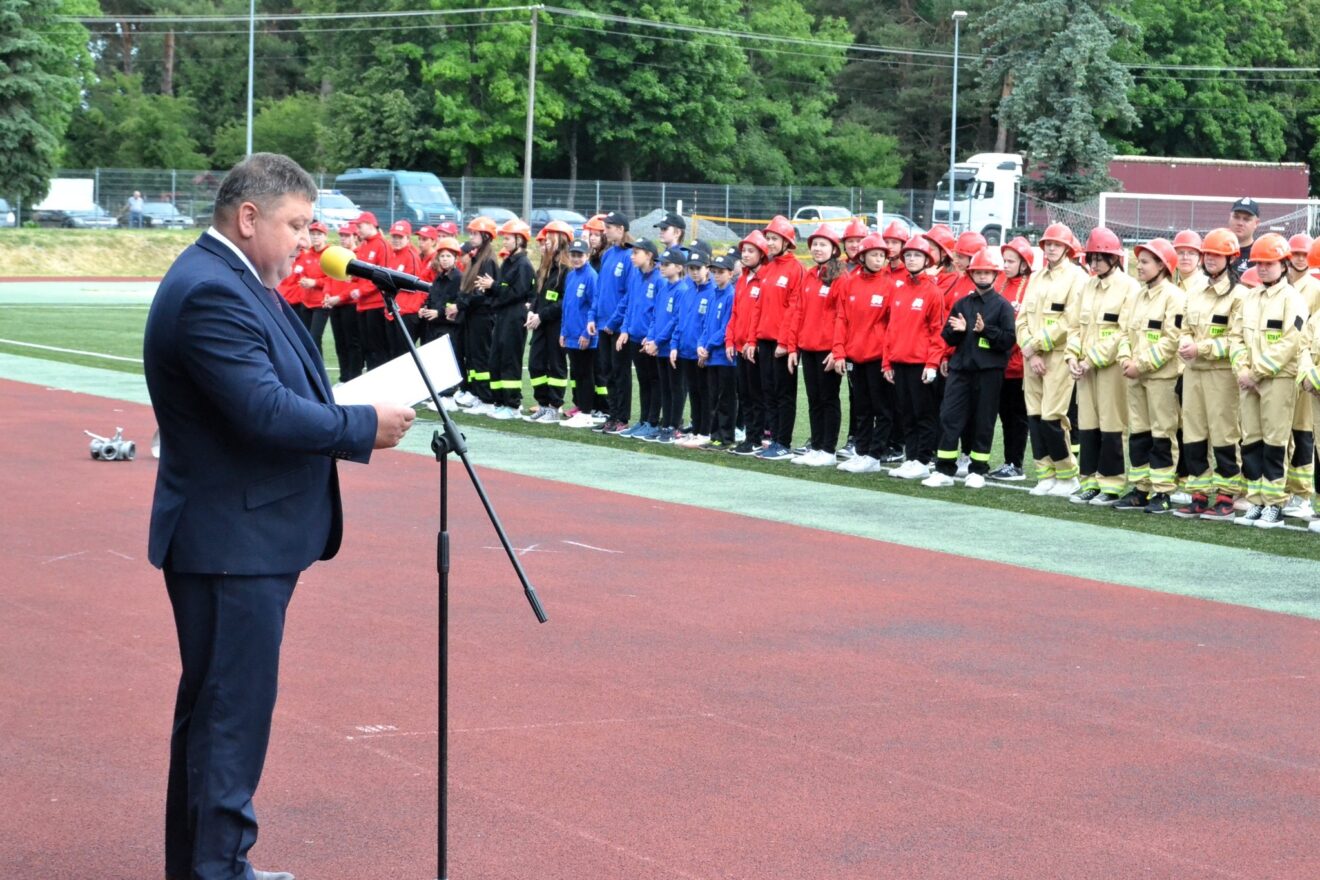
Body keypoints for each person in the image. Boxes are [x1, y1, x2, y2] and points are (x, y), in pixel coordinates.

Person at [142, 153, 415, 880]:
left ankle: (209, 864)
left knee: (219, 713)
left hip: (244, 534)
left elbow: (284, 387)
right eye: (295, 224)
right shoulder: (210, 291)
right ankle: (219, 870)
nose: (303, 239)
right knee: (231, 716)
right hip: (232, 539)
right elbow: (261, 411)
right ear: (249, 216)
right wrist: (361, 426)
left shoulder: (237, 281)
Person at [1229, 233, 1307, 527]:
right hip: (1249, 380)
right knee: (1251, 440)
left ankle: (1274, 503)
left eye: (1269, 263)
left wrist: (1255, 372)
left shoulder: (1292, 299)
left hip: (1278, 380)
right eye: (1259, 263)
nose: (1262, 268)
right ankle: (1256, 498)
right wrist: (1241, 369)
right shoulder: (1250, 297)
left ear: (1284, 264)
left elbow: (1290, 343)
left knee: (1275, 441)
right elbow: (1235, 337)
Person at [924, 246, 1017, 488]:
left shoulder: (1003, 306)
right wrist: (959, 331)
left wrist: (985, 330)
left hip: (989, 372)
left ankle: (978, 470)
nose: (983, 277)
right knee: (949, 416)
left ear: (996, 275)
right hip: (961, 370)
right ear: (972, 275)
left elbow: (1008, 340)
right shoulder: (962, 304)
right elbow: (948, 335)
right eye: (978, 273)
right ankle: (944, 469)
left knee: (983, 420)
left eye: (987, 273)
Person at [1174, 227, 1245, 520]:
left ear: (1230, 258)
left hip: (1221, 374)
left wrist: (1200, 348)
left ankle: (1228, 494)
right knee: (1193, 433)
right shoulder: (1195, 292)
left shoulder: (1239, 295)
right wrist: (1185, 342)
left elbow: (1236, 338)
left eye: (1218, 255)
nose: (1212, 259)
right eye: (1209, 254)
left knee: (1224, 434)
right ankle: (1199, 494)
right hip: (1193, 373)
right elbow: (1184, 328)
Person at [1065, 227, 1140, 506]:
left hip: (1109, 369)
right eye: (1091, 258)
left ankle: (1111, 485)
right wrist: (1072, 357)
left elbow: (1124, 332)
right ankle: (1090, 481)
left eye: (1100, 258)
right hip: (1084, 369)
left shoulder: (1129, 288)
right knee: (1087, 426)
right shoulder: (1087, 286)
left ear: (1114, 259)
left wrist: (1090, 359)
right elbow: (1073, 327)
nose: (1094, 264)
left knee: (1111, 426)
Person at [1113, 238, 1186, 513]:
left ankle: (1163, 491)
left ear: (1162, 266)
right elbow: (1123, 333)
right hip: (1135, 378)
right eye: (1139, 261)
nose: (1139, 266)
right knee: (1139, 434)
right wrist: (1124, 359)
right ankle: (1141, 488)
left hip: (1161, 379)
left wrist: (1140, 364)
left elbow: (1171, 341)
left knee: (1162, 435)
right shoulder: (1136, 297)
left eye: (1145, 262)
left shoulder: (1175, 298)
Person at [1016, 222, 1087, 497]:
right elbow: (1022, 318)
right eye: (1048, 244)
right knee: (1034, 416)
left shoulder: (1077, 278)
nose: (1052, 248)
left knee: (1052, 417)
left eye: (1057, 244)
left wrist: (1036, 346)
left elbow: (1070, 321)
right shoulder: (1036, 277)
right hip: (1032, 358)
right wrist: (1030, 350)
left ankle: (1068, 475)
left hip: (1057, 357)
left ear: (1067, 248)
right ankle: (1044, 474)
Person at [882, 237, 947, 480]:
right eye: (908, 255)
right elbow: (891, 329)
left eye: (916, 256)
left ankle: (923, 458)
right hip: (899, 362)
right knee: (906, 413)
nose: (910, 259)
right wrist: (887, 361)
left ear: (926, 260)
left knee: (924, 414)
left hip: (920, 364)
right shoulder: (898, 290)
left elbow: (937, 330)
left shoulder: (933, 292)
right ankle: (911, 457)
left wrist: (932, 363)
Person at [832, 233, 895, 475]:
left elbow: (892, 326)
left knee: (882, 408)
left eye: (882, 255)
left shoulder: (889, 286)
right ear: (863, 256)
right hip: (855, 357)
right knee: (861, 408)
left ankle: (875, 455)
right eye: (874, 255)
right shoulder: (850, 283)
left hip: (878, 358)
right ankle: (861, 451)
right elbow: (842, 319)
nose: (879, 259)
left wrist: (888, 359)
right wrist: (839, 351)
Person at [783, 224, 845, 466]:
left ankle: (828, 450)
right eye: (815, 245)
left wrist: (837, 350)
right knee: (814, 398)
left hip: (827, 350)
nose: (818, 249)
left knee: (829, 399)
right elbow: (797, 312)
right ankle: (816, 446)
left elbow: (843, 316)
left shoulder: (840, 277)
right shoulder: (809, 275)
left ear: (833, 249)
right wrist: (792, 347)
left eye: (823, 245)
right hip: (807, 348)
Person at [746, 214, 804, 461]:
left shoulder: (795, 269)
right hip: (764, 341)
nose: (769, 243)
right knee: (768, 391)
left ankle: (783, 442)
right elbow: (757, 308)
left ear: (786, 241)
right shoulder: (768, 270)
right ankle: (773, 440)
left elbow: (795, 309)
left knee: (784, 394)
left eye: (774, 239)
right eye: (768, 238)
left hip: (782, 344)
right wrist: (751, 339)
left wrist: (786, 343)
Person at [987, 236, 1033, 481]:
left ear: (1024, 263)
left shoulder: (1031, 287)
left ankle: (1015, 464)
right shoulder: (1000, 284)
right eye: (1004, 260)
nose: (1005, 265)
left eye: (1011, 261)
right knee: (999, 415)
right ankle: (1004, 462)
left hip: (1018, 367)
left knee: (1015, 419)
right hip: (997, 363)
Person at [1283, 233, 1320, 518]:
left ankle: (1302, 492)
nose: (1298, 258)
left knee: (1304, 432)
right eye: (1293, 253)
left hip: (1308, 375)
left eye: (1302, 253)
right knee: (1280, 432)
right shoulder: (1280, 286)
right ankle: (1282, 488)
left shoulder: (1314, 287)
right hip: (1285, 369)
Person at [613, 238, 663, 438]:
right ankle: (643, 420)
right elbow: (630, 305)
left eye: (636, 253)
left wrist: (651, 336)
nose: (632, 256)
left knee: (654, 380)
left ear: (649, 255)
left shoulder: (659, 279)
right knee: (643, 380)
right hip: (634, 336)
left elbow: (658, 312)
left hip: (648, 340)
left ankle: (653, 421)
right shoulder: (635, 275)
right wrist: (625, 329)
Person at [485, 218, 535, 419]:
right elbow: (504, 289)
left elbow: (516, 292)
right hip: (504, 315)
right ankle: (500, 401)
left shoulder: (522, 265)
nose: (504, 241)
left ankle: (512, 405)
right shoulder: (510, 262)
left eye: (508, 238)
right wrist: (493, 288)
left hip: (514, 316)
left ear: (519, 240)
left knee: (509, 359)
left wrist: (494, 287)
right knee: (496, 358)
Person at [727, 231, 770, 456]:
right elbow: (735, 313)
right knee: (744, 394)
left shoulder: (765, 280)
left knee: (756, 394)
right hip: (740, 346)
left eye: (751, 251)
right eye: (744, 250)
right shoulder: (742, 279)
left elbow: (759, 314)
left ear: (762, 254)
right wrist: (730, 340)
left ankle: (755, 437)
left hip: (754, 347)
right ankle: (750, 436)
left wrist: (751, 341)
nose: (745, 254)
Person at [525, 219, 573, 422]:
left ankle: (555, 406)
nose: (546, 242)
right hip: (540, 323)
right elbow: (538, 294)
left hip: (556, 324)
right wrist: (532, 311)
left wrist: (541, 315)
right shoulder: (545, 267)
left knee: (556, 365)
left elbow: (564, 301)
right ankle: (543, 404)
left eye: (550, 237)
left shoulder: (566, 269)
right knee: (535, 363)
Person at [591, 212, 634, 434]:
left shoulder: (630, 256)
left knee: (620, 371)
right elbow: (599, 291)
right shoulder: (608, 255)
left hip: (618, 327)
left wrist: (614, 321)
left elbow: (628, 294)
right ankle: (612, 414)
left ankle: (622, 417)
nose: (604, 232)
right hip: (602, 325)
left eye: (608, 228)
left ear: (620, 229)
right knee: (606, 371)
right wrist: (593, 317)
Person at [643, 245, 690, 443]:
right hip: (659, 346)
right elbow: (655, 315)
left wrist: (659, 340)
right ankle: (665, 425)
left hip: (672, 347)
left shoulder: (682, 290)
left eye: (667, 264)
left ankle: (674, 425)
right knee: (665, 387)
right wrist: (651, 337)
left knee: (676, 387)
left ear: (679, 268)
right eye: (661, 263)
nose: (662, 267)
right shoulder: (663, 287)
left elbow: (676, 320)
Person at [455, 217, 500, 413]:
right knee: (473, 358)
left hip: (483, 315)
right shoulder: (478, 257)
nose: (471, 237)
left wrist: (461, 305)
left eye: (475, 233)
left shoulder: (487, 261)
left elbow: (482, 293)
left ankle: (486, 399)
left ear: (485, 236)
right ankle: (478, 394)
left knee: (481, 357)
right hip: (474, 315)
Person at [672, 248, 715, 445]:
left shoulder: (713, 292)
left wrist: (704, 347)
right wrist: (675, 345)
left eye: (698, 268)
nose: (694, 272)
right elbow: (680, 321)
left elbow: (709, 324)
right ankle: (696, 430)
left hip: (701, 353)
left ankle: (705, 432)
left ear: (707, 268)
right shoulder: (688, 291)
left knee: (705, 393)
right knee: (695, 393)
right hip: (686, 351)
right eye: (691, 268)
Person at [418, 236, 465, 409]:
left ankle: (449, 396)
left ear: (455, 258)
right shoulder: (438, 278)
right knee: (436, 360)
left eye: (448, 256)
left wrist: (438, 312)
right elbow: (431, 297)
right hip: (435, 326)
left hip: (449, 326)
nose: (444, 259)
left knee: (448, 361)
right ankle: (440, 393)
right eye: (442, 256)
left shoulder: (459, 278)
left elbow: (456, 303)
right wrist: (424, 308)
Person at [558, 238, 600, 428]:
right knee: (577, 374)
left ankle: (586, 412)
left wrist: (586, 333)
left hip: (584, 336)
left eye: (579, 255)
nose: (576, 259)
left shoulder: (591, 276)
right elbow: (567, 306)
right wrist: (563, 331)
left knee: (585, 374)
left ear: (587, 255)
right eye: (573, 255)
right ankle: (581, 409)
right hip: (571, 334)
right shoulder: (571, 276)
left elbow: (594, 306)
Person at [700, 250, 739, 451]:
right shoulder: (714, 294)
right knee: (713, 398)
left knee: (726, 400)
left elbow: (726, 327)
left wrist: (707, 346)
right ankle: (714, 436)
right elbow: (707, 325)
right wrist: (701, 345)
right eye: (714, 271)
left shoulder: (731, 295)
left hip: (725, 357)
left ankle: (726, 437)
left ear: (730, 274)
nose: (716, 275)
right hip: (712, 356)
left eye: (721, 272)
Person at [321, 222, 363, 382]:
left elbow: (357, 283)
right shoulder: (338, 255)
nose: (343, 239)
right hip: (335, 304)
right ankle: (344, 378)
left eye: (347, 236)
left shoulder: (357, 256)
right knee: (340, 343)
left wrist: (339, 297)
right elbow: (329, 277)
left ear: (354, 237)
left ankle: (355, 378)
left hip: (349, 304)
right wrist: (327, 294)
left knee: (353, 343)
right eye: (342, 236)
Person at [351, 212, 392, 371]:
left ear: (370, 225)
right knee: (367, 346)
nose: (357, 230)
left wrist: (362, 291)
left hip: (376, 304)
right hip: (363, 304)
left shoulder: (382, 245)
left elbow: (383, 276)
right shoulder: (364, 245)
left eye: (359, 226)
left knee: (378, 347)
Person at [1228, 197, 1261, 276]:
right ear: (1229, 218)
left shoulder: (1260, 254)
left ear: (1256, 223)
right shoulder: (1217, 250)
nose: (1240, 223)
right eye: (1236, 217)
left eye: (1246, 219)